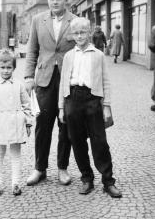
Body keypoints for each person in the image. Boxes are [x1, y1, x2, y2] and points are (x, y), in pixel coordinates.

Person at [58, 17, 122, 198]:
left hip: (93, 99)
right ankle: (87, 178)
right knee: (77, 141)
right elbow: (64, 83)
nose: (79, 36)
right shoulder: (69, 56)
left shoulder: (98, 55)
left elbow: (106, 81)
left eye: (83, 32)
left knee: (99, 142)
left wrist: (107, 105)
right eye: (76, 33)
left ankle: (108, 181)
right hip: (72, 99)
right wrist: (62, 108)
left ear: (89, 32)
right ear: (72, 35)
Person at [24, 0, 77, 186]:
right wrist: (29, 77)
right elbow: (31, 51)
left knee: (66, 126)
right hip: (44, 81)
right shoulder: (38, 20)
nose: (55, 2)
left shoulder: (75, 21)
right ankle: (39, 168)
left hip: (68, 81)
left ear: (66, 0)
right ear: (48, 0)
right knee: (43, 126)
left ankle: (62, 168)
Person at [0, 49, 32, 196]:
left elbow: (27, 104)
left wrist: (28, 122)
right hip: (0, 125)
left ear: (14, 68)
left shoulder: (19, 85)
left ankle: (15, 183)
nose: (5, 71)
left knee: (16, 154)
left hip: (16, 124)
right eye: (2, 67)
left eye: (9, 67)